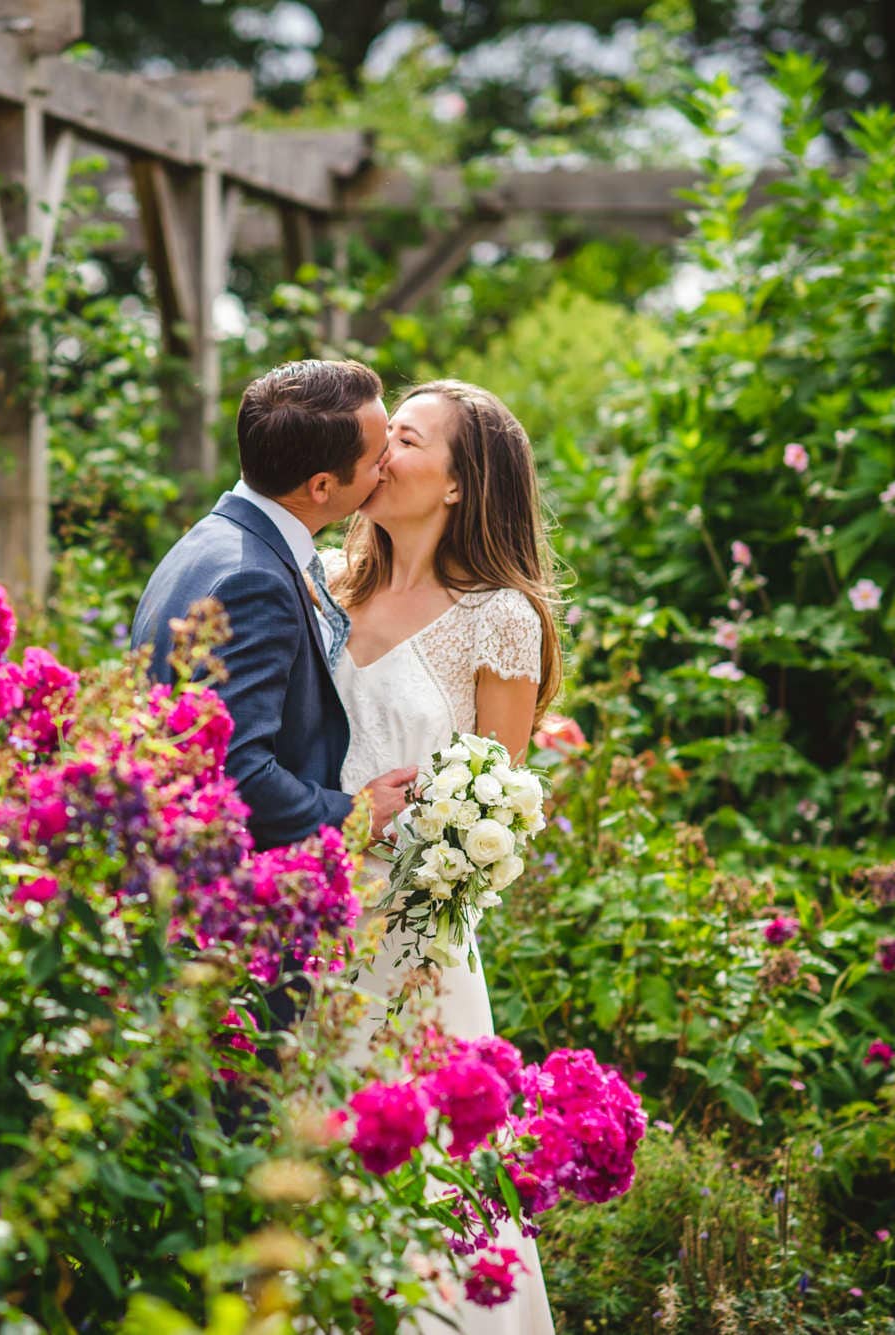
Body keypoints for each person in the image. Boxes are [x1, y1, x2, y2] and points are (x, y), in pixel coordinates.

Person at [322, 378, 564, 1335]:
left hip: (417, 946)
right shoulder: (330, 590)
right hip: (308, 921)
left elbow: (499, 794)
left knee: (431, 1183)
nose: (378, 458)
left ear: (460, 483)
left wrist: (426, 883)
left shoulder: (498, 615)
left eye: (406, 442)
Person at [130, 359, 417, 851]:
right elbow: (238, 773)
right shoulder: (255, 582)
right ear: (322, 486)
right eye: (377, 459)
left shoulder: (211, 540)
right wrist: (354, 813)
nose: (387, 465)